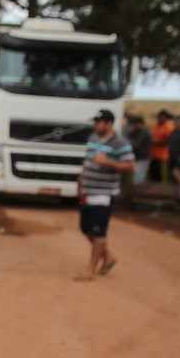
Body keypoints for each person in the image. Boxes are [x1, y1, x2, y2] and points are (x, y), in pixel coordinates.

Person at [74, 109, 136, 282]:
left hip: (104, 194)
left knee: (99, 231)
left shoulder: (120, 143)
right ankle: (108, 256)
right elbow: (87, 163)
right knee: (85, 228)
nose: (95, 125)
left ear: (109, 123)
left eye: (98, 122)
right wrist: (80, 182)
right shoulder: (93, 138)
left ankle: (90, 269)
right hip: (88, 191)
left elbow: (131, 166)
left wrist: (107, 162)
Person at [149, 109, 173, 183]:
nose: (161, 119)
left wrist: (156, 142)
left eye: (163, 117)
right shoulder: (155, 126)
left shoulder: (168, 128)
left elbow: (168, 140)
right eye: (160, 117)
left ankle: (162, 191)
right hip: (153, 155)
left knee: (161, 176)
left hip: (162, 156)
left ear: (166, 118)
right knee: (153, 174)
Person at [128, 116, 151, 184]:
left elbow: (137, 145)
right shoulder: (139, 131)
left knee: (138, 178)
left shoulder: (144, 132)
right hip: (138, 157)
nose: (135, 126)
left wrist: (126, 148)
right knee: (139, 176)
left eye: (136, 124)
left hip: (143, 158)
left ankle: (139, 192)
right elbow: (131, 134)